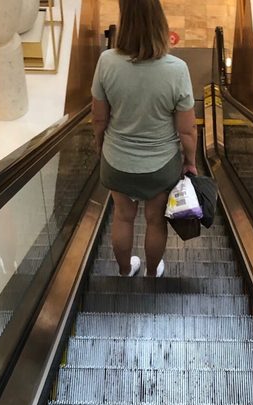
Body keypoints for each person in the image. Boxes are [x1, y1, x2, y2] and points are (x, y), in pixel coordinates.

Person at [91, 0, 197, 278]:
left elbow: (99, 119)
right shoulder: (177, 69)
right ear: (160, 23)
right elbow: (187, 130)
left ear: (124, 22)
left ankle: (125, 271)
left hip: (116, 161)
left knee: (122, 217)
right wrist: (190, 161)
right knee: (155, 221)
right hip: (160, 166)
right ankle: (152, 274)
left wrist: (101, 146)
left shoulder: (106, 62)